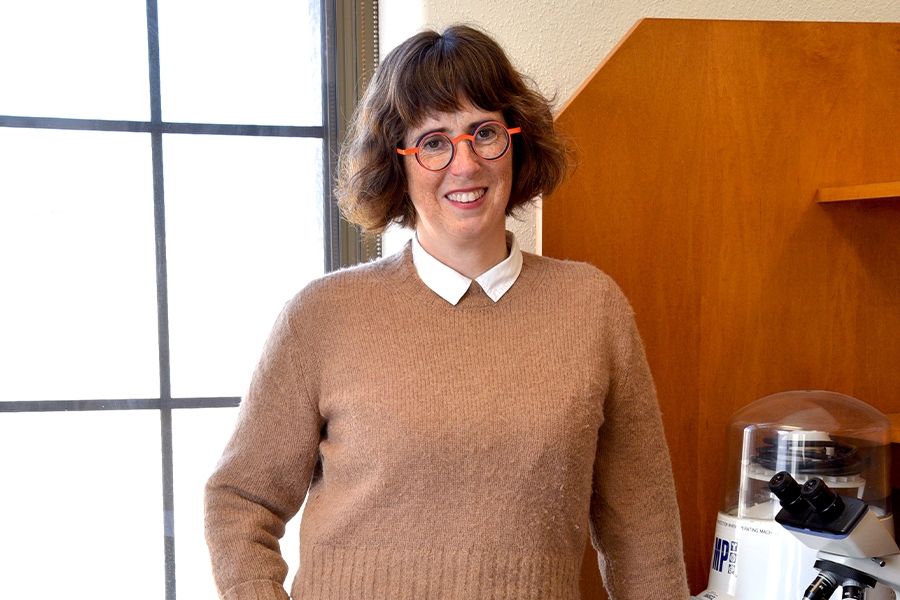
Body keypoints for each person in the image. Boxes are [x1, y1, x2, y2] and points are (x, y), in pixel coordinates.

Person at [204, 24, 691, 600]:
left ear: (517, 143)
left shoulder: (592, 308)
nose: (465, 164)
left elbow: (643, 531)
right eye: (433, 142)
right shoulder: (322, 316)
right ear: (398, 163)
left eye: (484, 133)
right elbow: (241, 501)